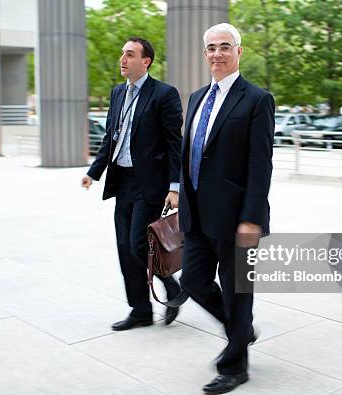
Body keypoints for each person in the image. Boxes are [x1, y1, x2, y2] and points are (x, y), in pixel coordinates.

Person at [178, 23, 274, 394]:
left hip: (236, 217)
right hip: (197, 214)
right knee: (193, 282)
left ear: (238, 51)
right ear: (204, 54)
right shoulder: (197, 97)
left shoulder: (256, 99)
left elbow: (259, 164)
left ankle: (235, 366)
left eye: (224, 46)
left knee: (238, 292)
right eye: (210, 48)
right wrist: (177, 192)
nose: (216, 54)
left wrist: (252, 218)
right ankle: (241, 330)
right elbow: (190, 153)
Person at [82, 37, 183, 331]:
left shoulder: (164, 94)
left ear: (145, 61)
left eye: (129, 54)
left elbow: (175, 144)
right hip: (122, 181)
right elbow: (110, 137)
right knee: (125, 248)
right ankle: (140, 310)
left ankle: (170, 285)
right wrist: (94, 172)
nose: (122, 59)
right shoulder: (117, 93)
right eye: (121, 54)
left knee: (140, 245)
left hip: (149, 184)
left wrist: (174, 187)